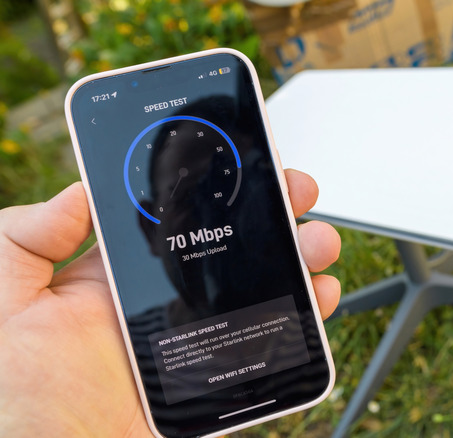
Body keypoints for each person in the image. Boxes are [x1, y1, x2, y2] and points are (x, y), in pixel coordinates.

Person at [0, 169, 341, 436]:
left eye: (222, 190)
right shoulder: (121, 350)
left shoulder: (298, 335)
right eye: (188, 197)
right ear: (150, 229)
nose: (210, 223)